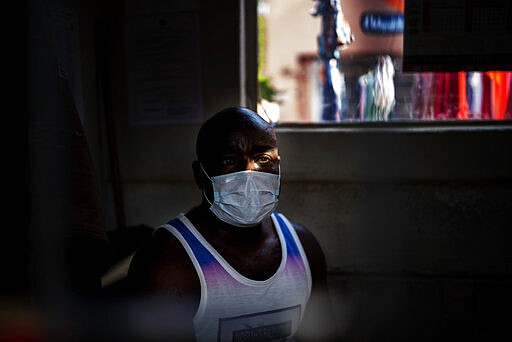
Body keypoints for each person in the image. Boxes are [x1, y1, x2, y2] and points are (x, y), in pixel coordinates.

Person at [128, 106, 338, 341]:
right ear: (200, 174)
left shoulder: (304, 249)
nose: (249, 172)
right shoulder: (168, 263)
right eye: (229, 160)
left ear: (279, 165)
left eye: (263, 159)